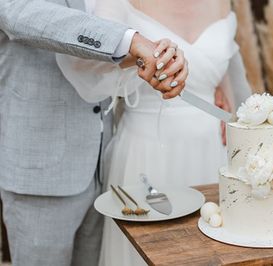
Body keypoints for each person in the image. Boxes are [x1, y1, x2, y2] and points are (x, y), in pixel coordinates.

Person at [57, 0, 252, 265]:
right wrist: (137, 57)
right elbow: (84, 63)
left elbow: (224, 63)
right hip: (148, 154)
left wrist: (229, 108)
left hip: (213, 152)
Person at [0, 0, 188, 265]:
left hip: (103, 169)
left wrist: (160, 57)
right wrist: (131, 41)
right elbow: (22, 13)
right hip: (40, 173)